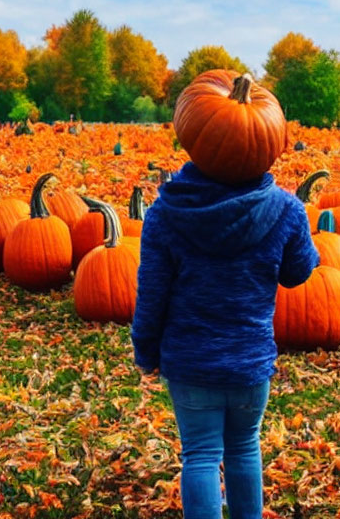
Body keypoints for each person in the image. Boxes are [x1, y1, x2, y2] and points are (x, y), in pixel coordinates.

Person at [132, 161, 318, 518]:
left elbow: (152, 295)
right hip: (250, 361)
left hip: (191, 363)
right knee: (244, 447)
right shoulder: (285, 209)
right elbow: (298, 272)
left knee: (200, 454)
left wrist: (145, 350)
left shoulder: (167, 213)